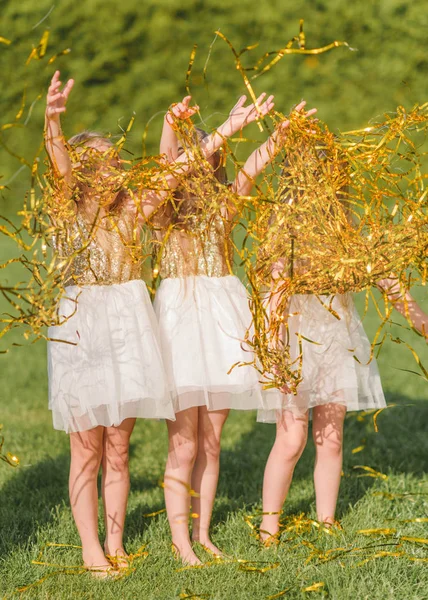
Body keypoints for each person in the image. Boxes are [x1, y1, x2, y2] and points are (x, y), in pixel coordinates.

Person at [44, 71, 220, 575]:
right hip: (81, 327)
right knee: (87, 450)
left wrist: (225, 127)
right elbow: (58, 168)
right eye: (97, 163)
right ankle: (90, 547)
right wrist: (53, 121)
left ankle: (117, 542)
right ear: (79, 171)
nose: (111, 169)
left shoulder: (132, 212)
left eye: (114, 161)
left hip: (128, 326)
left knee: (119, 447)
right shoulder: (67, 210)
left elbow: (177, 169)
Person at [155, 96, 315, 563]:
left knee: (212, 439)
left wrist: (280, 135)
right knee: (183, 442)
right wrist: (174, 124)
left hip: (222, 317)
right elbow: (166, 161)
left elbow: (253, 166)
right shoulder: (165, 212)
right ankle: (181, 540)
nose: (206, 168)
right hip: (181, 318)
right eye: (198, 160)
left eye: (212, 162)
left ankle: (203, 533)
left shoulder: (224, 207)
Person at [257, 138, 428, 543]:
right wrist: (275, 352)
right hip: (295, 341)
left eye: (330, 180)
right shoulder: (284, 231)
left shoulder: (347, 230)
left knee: (330, 438)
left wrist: (422, 321)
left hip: (337, 339)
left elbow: (387, 280)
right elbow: (273, 297)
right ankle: (268, 523)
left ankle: (327, 519)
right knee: (292, 436)